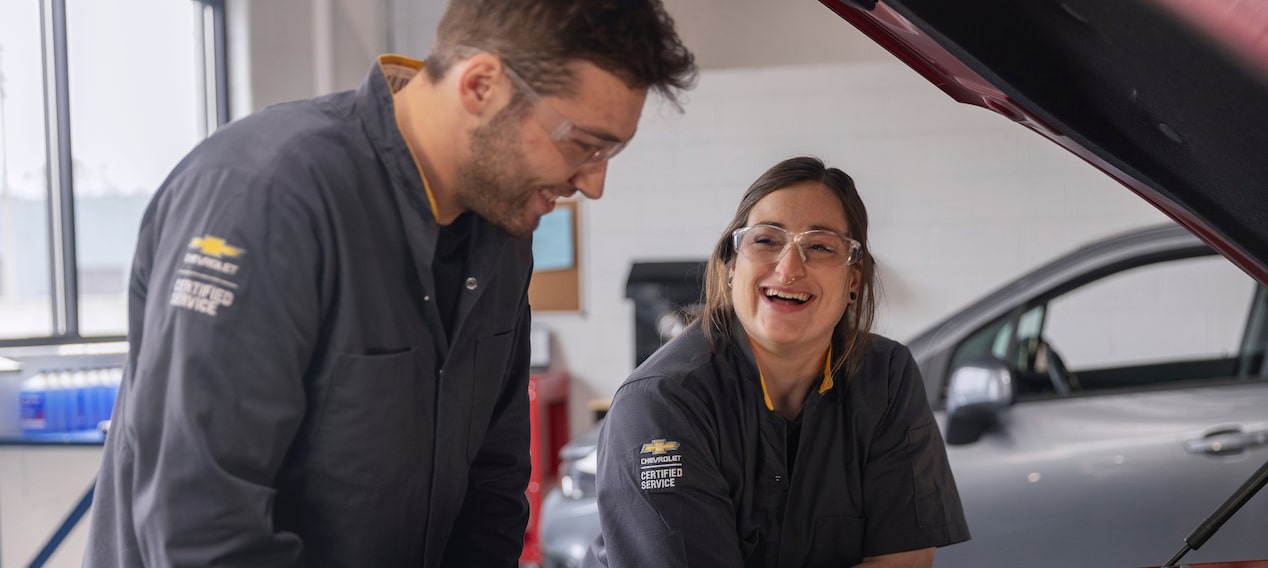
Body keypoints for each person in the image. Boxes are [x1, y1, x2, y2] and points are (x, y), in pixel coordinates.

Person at [83, 1, 695, 566]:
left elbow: (494, 481)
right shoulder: (268, 198)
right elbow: (201, 522)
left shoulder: (501, 231)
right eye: (584, 146)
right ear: (481, 85)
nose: (592, 185)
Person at [584, 157, 970, 567]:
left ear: (853, 280)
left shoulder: (887, 377)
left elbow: (905, 561)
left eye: (819, 246)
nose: (788, 269)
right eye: (766, 240)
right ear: (733, 265)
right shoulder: (662, 403)